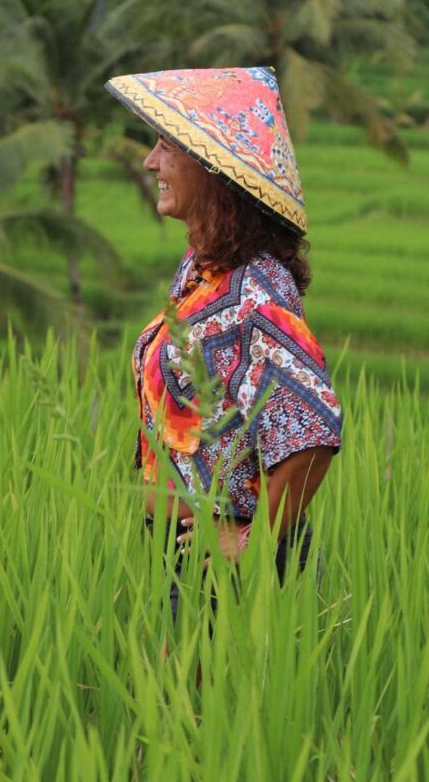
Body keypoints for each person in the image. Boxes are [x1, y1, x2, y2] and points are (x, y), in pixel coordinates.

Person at [105, 66, 342, 615]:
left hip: (224, 572)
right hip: (183, 552)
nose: (150, 161)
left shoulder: (254, 296)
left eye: (166, 146)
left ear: (213, 171)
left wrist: (256, 543)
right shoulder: (202, 269)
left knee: (201, 700)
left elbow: (313, 426)